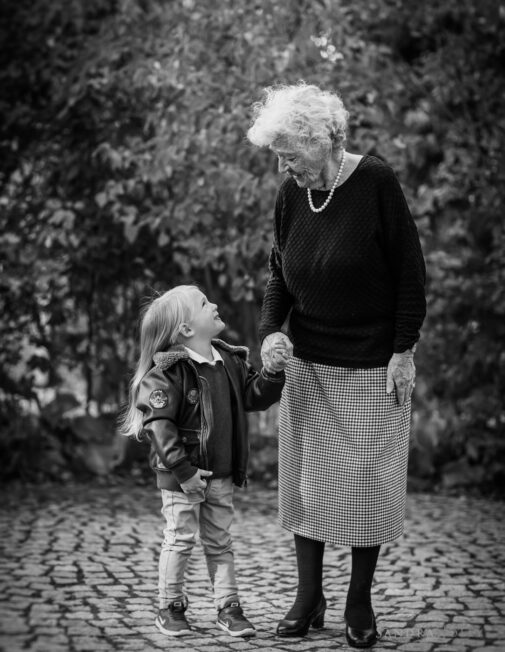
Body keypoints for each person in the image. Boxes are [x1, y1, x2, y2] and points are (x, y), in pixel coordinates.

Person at [247, 82, 426, 648]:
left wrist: (403, 349)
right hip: (309, 361)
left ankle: (359, 601)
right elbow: (279, 270)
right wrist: (272, 331)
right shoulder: (289, 194)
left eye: (289, 153)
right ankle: (309, 596)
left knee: (367, 485)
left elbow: (410, 274)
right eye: (277, 154)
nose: (282, 164)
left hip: (374, 362)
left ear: (320, 140)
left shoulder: (374, 182)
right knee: (306, 484)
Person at [120, 285, 287, 638]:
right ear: (185, 330)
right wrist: (183, 471)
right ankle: (170, 606)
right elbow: (160, 427)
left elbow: (254, 397)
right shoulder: (167, 373)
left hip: (222, 475)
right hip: (182, 477)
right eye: (202, 302)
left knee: (220, 542)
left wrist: (272, 373)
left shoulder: (230, 361)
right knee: (179, 539)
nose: (213, 303)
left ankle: (229, 607)